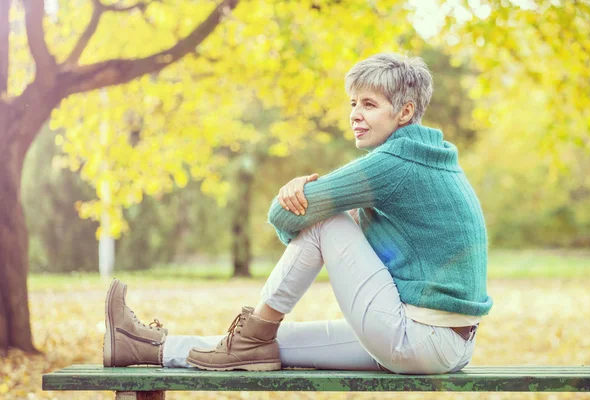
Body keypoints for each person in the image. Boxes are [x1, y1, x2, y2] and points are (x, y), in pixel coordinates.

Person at [103, 53, 492, 374]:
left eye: (369, 104)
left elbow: (289, 216)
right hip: (446, 345)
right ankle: (144, 347)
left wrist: (293, 194)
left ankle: (254, 332)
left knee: (325, 222)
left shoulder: (396, 162)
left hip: (419, 339)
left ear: (405, 111)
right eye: (353, 103)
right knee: (270, 348)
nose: (355, 114)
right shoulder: (430, 156)